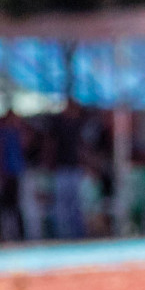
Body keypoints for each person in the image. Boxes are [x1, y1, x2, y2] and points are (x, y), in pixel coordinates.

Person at [50, 101, 87, 239]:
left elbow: (81, 149)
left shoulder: (77, 127)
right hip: (62, 168)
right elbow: (51, 146)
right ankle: (62, 234)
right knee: (62, 205)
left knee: (75, 204)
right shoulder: (59, 127)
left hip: (74, 169)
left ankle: (77, 234)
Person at [0, 111, 27, 242]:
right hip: (6, 173)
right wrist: (0, 173)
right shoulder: (2, 134)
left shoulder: (16, 133)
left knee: (16, 206)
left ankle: (19, 235)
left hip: (16, 173)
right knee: (4, 207)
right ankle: (1, 235)